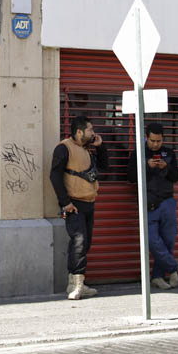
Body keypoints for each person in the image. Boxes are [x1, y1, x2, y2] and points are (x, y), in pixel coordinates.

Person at [49, 116, 109, 300]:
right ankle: (78, 285)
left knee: (85, 243)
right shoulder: (64, 148)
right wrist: (65, 202)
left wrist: (100, 147)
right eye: (90, 130)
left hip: (89, 203)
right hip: (73, 205)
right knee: (79, 241)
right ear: (79, 131)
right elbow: (55, 175)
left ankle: (73, 283)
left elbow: (105, 167)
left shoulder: (87, 149)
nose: (93, 133)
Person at [127, 122, 178, 289]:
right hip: (148, 202)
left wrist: (167, 166)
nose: (155, 144)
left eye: (158, 141)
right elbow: (130, 177)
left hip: (167, 201)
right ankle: (173, 267)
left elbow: (176, 177)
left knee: (168, 241)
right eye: (152, 141)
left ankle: (158, 276)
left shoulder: (169, 153)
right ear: (146, 137)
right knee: (152, 240)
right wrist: (146, 166)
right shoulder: (139, 152)